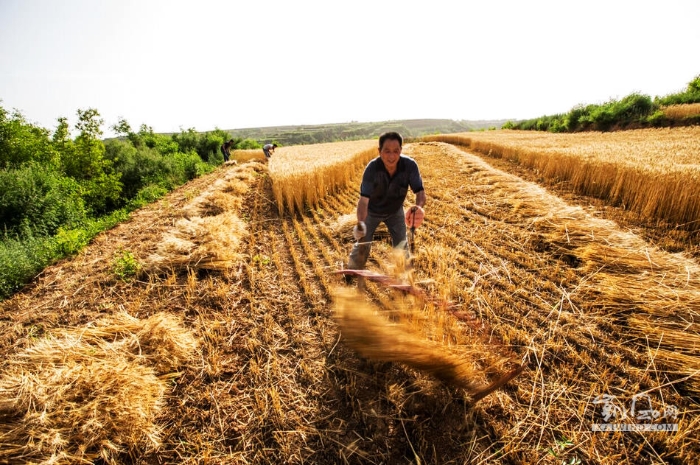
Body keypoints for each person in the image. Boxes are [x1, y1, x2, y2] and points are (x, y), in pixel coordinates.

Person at [346, 131, 426, 272]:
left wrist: (419, 207)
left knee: (402, 246)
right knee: (363, 244)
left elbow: (420, 191)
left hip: (395, 212)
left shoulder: (410, 166)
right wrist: (360, 224)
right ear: (379, 151)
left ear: (401, 150)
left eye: (396, 151)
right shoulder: (371, 169)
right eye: (387, 151)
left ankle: (405, 275)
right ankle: (351, 271)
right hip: (372, 212)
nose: (391, 156)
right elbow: (363, 201)